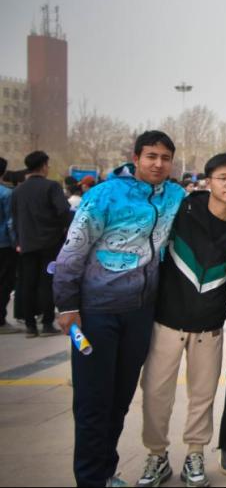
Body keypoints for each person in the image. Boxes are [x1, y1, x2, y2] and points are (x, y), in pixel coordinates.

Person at [53, 131, 187, 487]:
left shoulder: (174, 196)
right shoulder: (104, 195)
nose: (158, 164)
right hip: (97, 313)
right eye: (151, 156)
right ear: (136, 157)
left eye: (165, 158)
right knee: (93, 402)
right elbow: (72, 251)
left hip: (140, 312)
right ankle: (90, 479)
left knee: (120, 399)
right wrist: (67, 305)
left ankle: (106, 472)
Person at [136, 154, 226, 488]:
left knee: (203, 395)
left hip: (209, 327)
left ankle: (195, 454)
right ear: (208, 181)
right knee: (156, 394)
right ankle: (156, 455)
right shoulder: (182, 210)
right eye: (222, 177)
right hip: (167, 323)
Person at [10, 150, 73, 337]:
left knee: (28, 284)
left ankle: (30, 326)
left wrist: (18, 241)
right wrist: (64, 229)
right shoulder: (51, 187)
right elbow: (63, 211)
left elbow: (14, 218)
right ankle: (46, 324)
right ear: (44, 166)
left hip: (26, 244)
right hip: (50, 243)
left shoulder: (18, 190)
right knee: (47, 283)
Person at [0, 156, 17, 333]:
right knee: (4, 281)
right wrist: (15, 243)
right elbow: (10, 222)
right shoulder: (6, 193)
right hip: (3, 244)